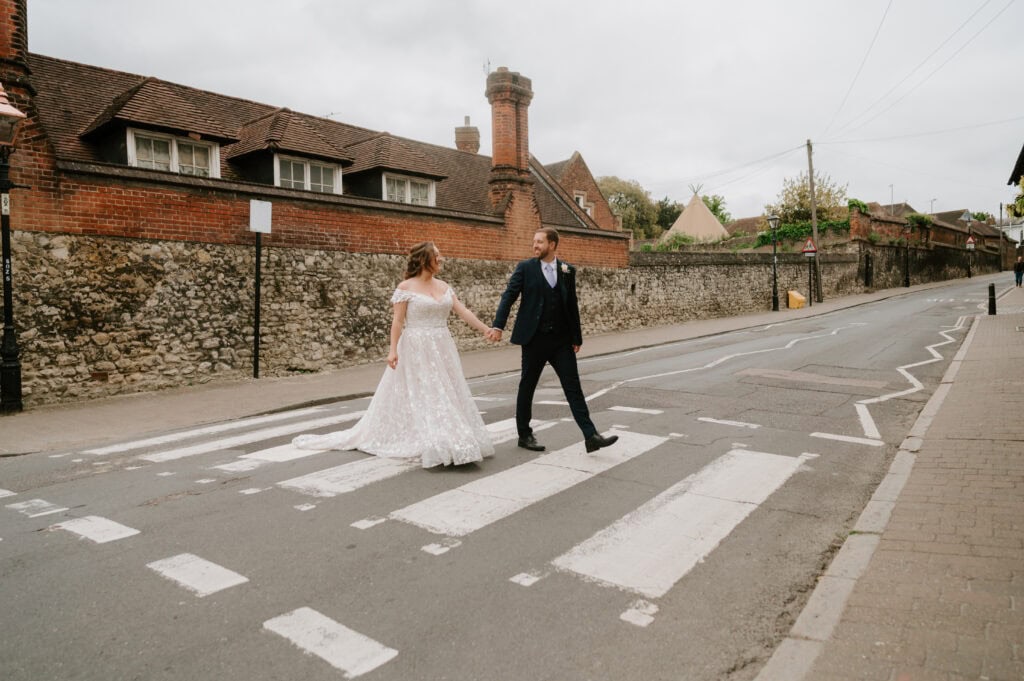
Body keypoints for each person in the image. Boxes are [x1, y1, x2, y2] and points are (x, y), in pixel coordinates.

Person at [293, 242, 495, 468]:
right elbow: (398, 321)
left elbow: (463, 311)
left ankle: (450, 437)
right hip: (416, 347)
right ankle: (440, 439)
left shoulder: (444, 286)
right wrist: (392, 350)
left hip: (442, 346)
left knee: (447, 390)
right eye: (437, 256)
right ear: (424, 259)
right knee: (427, 391)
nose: (442, 259)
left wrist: (485, 329)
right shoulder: (406, 287)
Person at [487, 228, 618, 454]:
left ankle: (591, 436)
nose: (535, 246)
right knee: (527, 386)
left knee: (573, 388)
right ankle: (524, 435)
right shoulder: (525, 268)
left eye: (539, 242)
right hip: (534, 338)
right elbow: (509, 296)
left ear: (553, 245)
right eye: (534, 242)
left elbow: (572, 305)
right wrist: (498, 325)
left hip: (561, 341)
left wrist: (577, 337)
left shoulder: (567, 270)